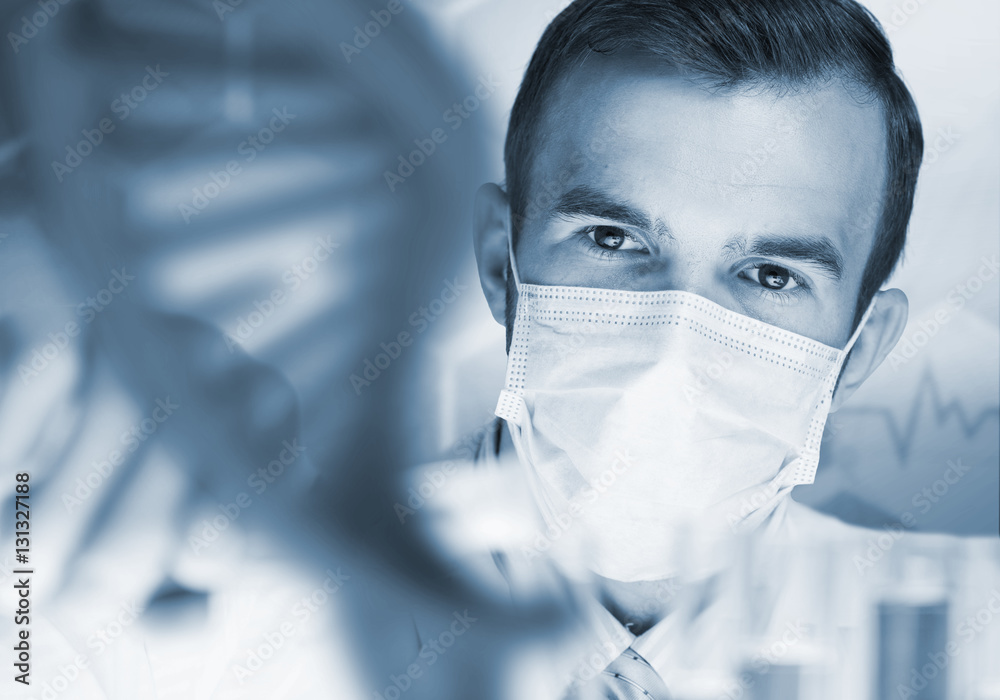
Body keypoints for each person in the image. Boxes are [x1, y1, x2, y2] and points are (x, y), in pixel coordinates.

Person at [418, 0, 946, 696]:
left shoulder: (966, 647)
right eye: (612, 238)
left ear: (860, 350)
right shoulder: (266, 611)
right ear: (498, 263)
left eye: (772, 276)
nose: (674, 350)